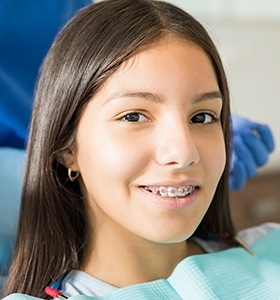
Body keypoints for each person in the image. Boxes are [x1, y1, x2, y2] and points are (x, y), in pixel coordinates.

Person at [2, 0, 280, 299]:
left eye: (202, 117)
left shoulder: (270, 249)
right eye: (133, 116)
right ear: (67, 147)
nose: (184, 152)